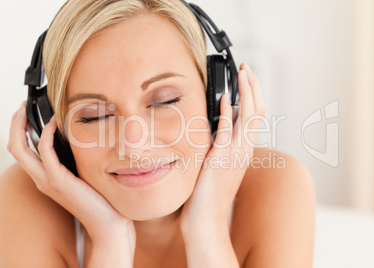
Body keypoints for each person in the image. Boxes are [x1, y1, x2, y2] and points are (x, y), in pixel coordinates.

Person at [0, 0, 315, 267]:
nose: (134, 145)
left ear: (217, 100)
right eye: (95, 116)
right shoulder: (25, 199)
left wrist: (208, 229)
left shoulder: (276, 188)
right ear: (57, 135)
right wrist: (110, 239)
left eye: (166, 101)